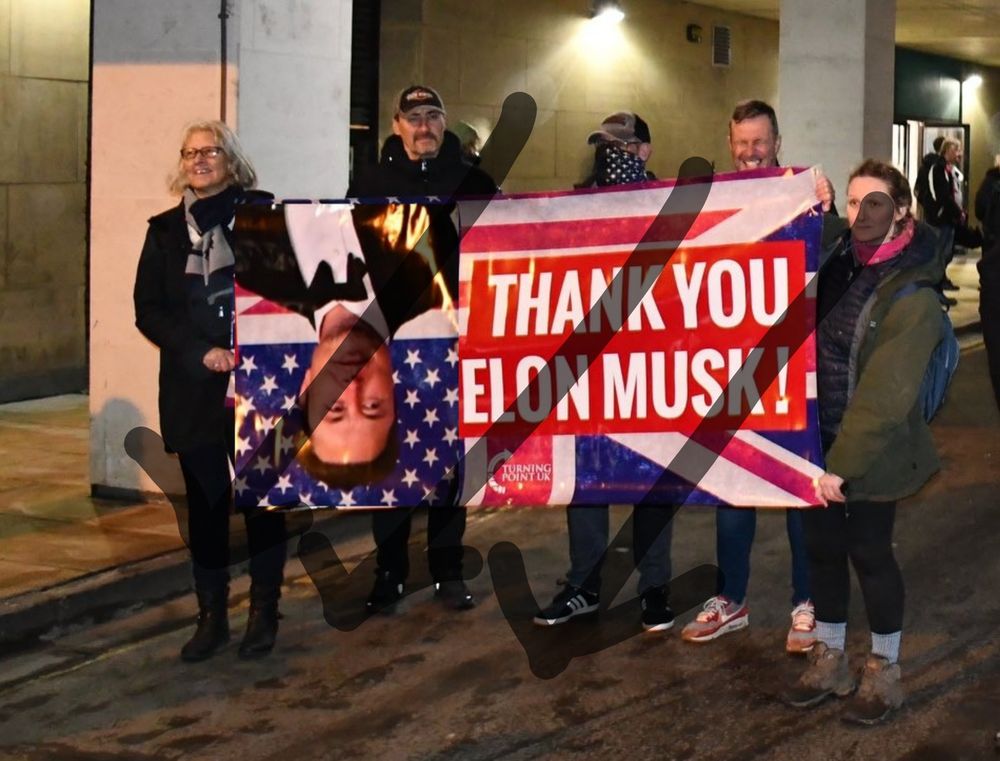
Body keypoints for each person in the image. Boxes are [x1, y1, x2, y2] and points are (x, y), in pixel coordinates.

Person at [785, 159, 945, 725]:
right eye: (853, 203)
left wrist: (842, 467)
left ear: (901, 209)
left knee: (870, 555)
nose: (861, 214)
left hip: (870, 451)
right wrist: (819, 204)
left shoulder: (914, 294)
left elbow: (885, 396)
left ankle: (885, 670)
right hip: (817, 441)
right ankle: (830, 658)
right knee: (823, 552)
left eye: (874, 202)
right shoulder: (836, 261)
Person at [681, 100, 833, 653]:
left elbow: (831, 253)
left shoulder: (801, 198)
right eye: (741, 142)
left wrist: (825, 205)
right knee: (733, 491)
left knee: (796, 489)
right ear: (730, 143)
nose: (750, 153)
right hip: (727, 376)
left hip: (789, 371)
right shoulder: (713, 203)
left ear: (777, 142)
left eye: (759, 142)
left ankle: (805, 602)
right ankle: (732, 600)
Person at [134, 120, 287, 661]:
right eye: (191, 152)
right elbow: (147, 310)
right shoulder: (163, 231)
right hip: (193, 385)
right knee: (205, 503)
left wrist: (251, 343)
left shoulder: (264, 216)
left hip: (256, 383)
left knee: (264, 500)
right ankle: (212, 617)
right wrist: (201, 350)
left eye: (211, 151)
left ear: (231, 159)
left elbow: (289, 288)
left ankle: (264, 613)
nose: (200, 160)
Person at [349, 85, 499, 614]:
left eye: (433, 115)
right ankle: (388, 573)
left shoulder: (475, 183)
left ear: (445, 121)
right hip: (388, 347)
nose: (424, 126)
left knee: (447, 466)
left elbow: (503, 254)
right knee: (389, 464)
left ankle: (447, 571)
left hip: (454, 347)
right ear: (397, 125)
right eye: (414, 118)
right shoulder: (368, 184)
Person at [534, 112, 674, 632]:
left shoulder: (670, 204)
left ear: (646, 151)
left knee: (653, 481)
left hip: (651, 365)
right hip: (590, 371)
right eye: (604, 147)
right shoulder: (574, 207)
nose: (611, 155)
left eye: (623, 145)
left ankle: (654, 587)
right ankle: (585, 585)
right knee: (586, 481)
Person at [235, 202, 447, 485]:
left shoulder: (245, 265)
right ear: (394, 392)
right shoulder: (438, 262)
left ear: (306, 389)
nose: (352, 388)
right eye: (373, 405)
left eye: (334, 409)